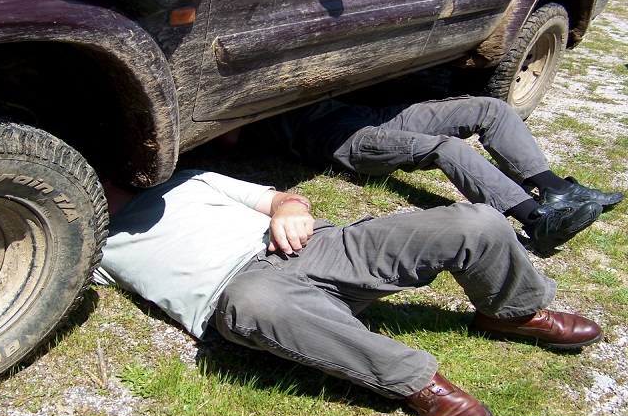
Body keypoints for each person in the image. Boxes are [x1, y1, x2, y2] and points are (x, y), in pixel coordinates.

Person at [95, 169, 603, 416]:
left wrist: (290, 208)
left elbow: (279, 198)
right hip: (247, 295)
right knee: (256, 301)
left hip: (314, 247)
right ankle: (419, 384)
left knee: (477, 221)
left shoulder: (187, 182)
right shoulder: (87, 243)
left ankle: (513, 311)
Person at [230, 96, 623, 253]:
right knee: (445, 148)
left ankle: (555, 190)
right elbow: (225, 132)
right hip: (330, 136)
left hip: (361, 106)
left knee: (490, 109)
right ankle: (537, 219)